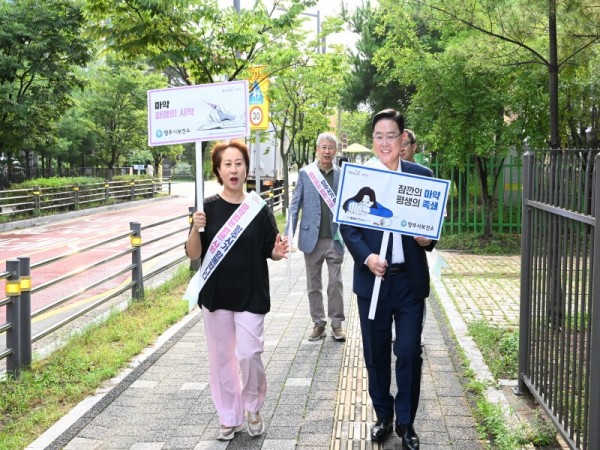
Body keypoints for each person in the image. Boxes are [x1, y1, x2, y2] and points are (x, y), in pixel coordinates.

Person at [340, 109, 436, 449]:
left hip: (409, 282)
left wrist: (427, 239)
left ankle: (407, 423)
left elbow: (431, 229)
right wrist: (367, 258)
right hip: (373, 283)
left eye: (391, 136)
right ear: (373, 141)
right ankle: (384, 414)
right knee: (375, 353)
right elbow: (348, 228)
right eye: (378, 136)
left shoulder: (420, 176)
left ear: (402, 139)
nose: (385, 142)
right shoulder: (358, 178)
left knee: (409, 352)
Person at [185, 140, 289, 441]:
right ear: (218, 169)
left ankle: (253, 406)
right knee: (221, 358)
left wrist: (278, 250)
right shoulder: (207, 208)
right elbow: (193, 254)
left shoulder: (258, 208)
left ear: (246, 168)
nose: (234, 169)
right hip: (216, 295)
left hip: (251, 292)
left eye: (239, 163)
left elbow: (271, 247)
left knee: (249, 353)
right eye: (227, 164)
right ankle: (229, 416)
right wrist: (195, 227)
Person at [286, 132, 346, 341]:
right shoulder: (306, 174)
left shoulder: (342, 175)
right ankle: (318, 323)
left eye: (331, 147)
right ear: (317, 149)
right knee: (313, 284)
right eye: (324, 147)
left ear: (335, 151)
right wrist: (288, 236)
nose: (327, 151)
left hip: (335, 237)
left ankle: (337, 323)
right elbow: (295, 206)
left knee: (335, 282)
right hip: (310, 238)